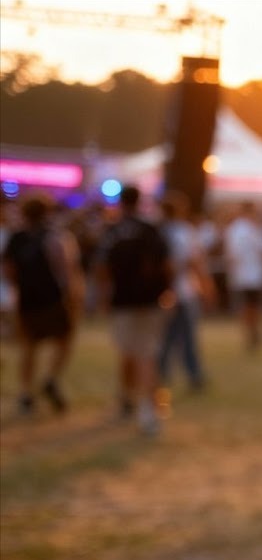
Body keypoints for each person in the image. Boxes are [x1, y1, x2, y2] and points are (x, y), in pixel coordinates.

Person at [98, 185, 173, 436]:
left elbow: (102, 268)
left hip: (122, 302)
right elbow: (167, 264)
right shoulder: (150, 229)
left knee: (129, 352)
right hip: (150, 301)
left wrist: (104, 297)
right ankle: (148, 408)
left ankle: (128, 400)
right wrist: (167, 291)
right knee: (146, 354)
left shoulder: (113, 231)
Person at [2, 193, 84, 416]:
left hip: (27, 300)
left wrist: (18, 288)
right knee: (64, 340)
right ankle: (50, 378)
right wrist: (73, 298)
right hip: (53, 299)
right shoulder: (56, 237)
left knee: (29, 347)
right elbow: (66, 272)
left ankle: (25, 393)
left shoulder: (16, 238)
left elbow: (8, 269)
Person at [157, 191, 214, 394]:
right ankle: (193, 374)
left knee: (165, 337)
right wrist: (206, 287)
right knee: (188, 337)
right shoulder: (183, 232)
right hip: (184, 291)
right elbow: (194, 262)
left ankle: (161, 374)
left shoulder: (158, 232)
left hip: (164, 294)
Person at [222, 200, 262, 352]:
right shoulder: (243, 229)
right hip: (248, 275)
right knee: (249, 306)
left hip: (248, 275)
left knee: (250, 306)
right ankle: (252, 334)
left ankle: (253, 333)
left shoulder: (247, 229)